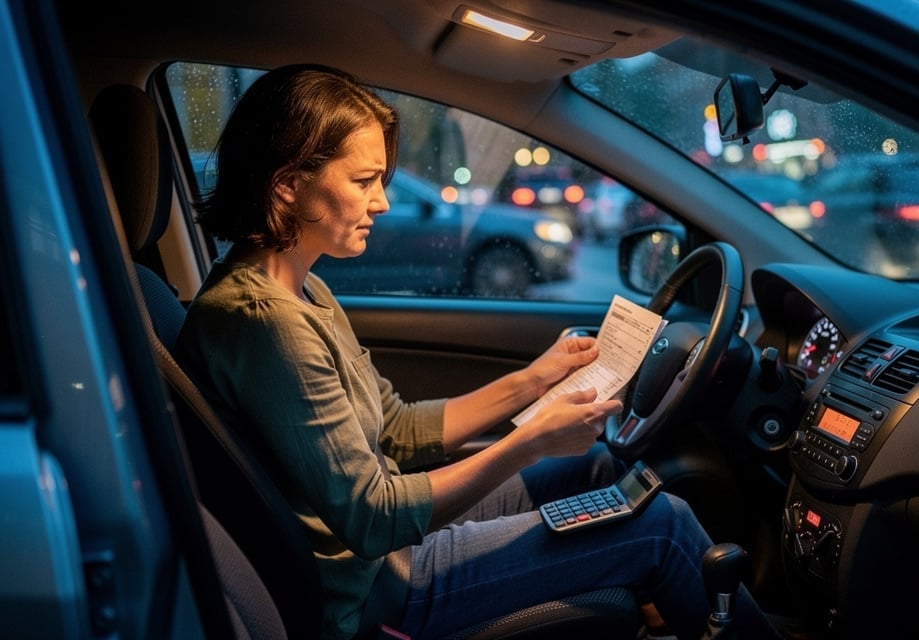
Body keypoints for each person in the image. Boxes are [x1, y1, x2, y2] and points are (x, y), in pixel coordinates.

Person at [174, 63, 780, 640]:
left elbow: (397, 429)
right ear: (287, 186)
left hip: (387, 552)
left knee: (598, 467)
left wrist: (535, 379)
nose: (382, 202)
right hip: (376, 587)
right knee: (663, 526)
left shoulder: (303, 289)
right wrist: (530, 440)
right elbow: (374, 518)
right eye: (363, 182)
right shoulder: (263, 322)